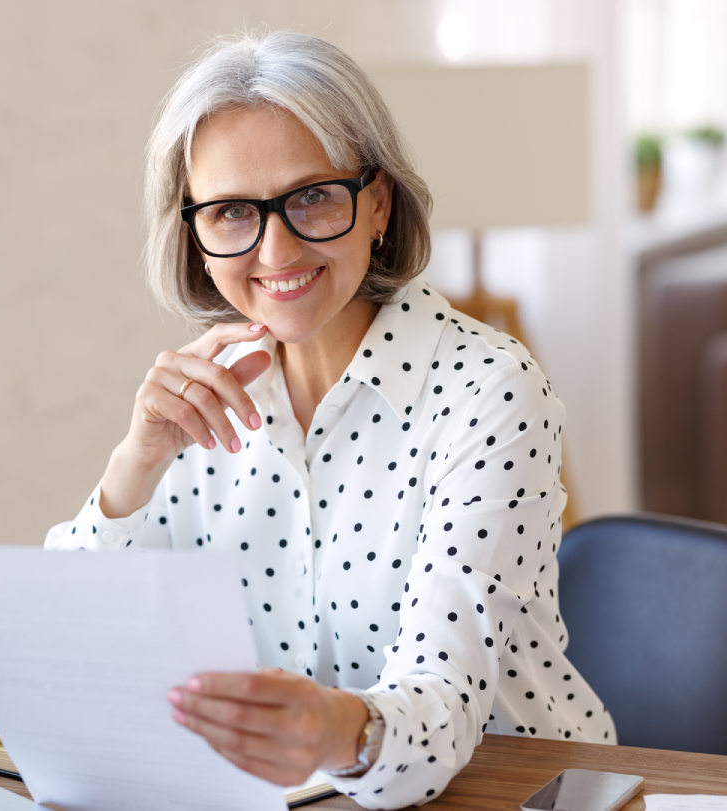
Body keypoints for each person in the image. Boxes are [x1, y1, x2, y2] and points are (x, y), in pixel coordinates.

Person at [44, 30, 615, 808]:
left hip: (520, 792)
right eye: (232, 211)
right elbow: (58, 652)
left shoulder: (487, 389)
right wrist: (133, 465)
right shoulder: (201, 399)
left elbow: (442, 708)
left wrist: (332, 728)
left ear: (377, 203)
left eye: (311, 196)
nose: (275, 248)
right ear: (195, 234)